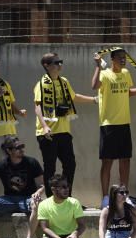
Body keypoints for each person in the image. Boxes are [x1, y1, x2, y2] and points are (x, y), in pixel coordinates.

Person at [33, 52, 96, 189]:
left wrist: (94, 100)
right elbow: (38, 107)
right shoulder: (41, 85)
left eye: (60, 61)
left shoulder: (64, 82)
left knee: (70, 164)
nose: (60, 65)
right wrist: (44, 126)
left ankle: (66, 194)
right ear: (47, 66)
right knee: (50, 166)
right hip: (47, 134)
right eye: (56, 62)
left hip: (64, 131)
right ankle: (51, 198)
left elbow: (74, 97)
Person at [92, 47, 136, 205]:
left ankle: (123, 196)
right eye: (120, 57)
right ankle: (105, 198)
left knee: (125, 160)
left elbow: (127, 92)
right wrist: (98, 66)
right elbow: (94, 86)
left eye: (124, 57)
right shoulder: (105, 74)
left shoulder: (126, 73)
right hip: (108, 124)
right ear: (112, 59)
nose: (123, 60)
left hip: (124, 123)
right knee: (107, 162)